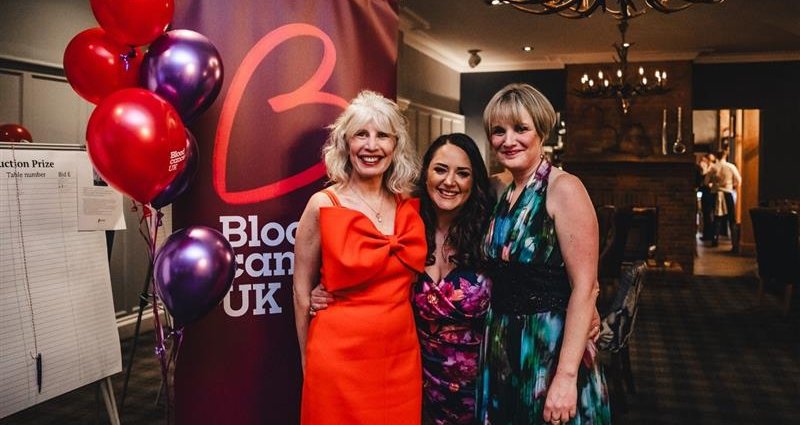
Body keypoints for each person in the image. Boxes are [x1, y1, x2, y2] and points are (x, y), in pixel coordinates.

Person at [311, 133, 496, 424]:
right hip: (417, 379)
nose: (450, 181)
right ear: (425, 176)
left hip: (481, 383)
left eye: (463, 173)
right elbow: (369, 271)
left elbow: (527, 283)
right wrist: (318, 293)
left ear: (475, 182)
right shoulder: (406, 220)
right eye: (440, 170)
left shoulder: (490, 232)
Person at [476, 83, 610, 425]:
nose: (509, 140)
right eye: (498, 131)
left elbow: (586, 287)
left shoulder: (564, 188)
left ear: (541, 132)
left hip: (549, 348)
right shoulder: (503, 189)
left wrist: (565, 377)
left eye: (521, 129)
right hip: (503, 342)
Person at [293, 90, 427, 425]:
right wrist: (307, 362)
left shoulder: (408, 203)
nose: (371, 146)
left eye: (383, 135)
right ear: (346, 144)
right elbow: (300, 292)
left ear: (395, 145)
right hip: (337, 359)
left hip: (401, 359)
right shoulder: (322, 205)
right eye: (361, 135)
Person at [709, 148, 741, 247]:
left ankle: (715, 239)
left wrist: (714, 185)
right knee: (732, 219)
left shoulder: (713, 167)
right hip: (727, 192)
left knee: (716, 218)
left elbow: (706, 181)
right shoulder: (731, 167)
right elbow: (739, 180)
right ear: (725, 155)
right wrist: (732, 185)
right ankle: (734, 243)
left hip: (715, 193)